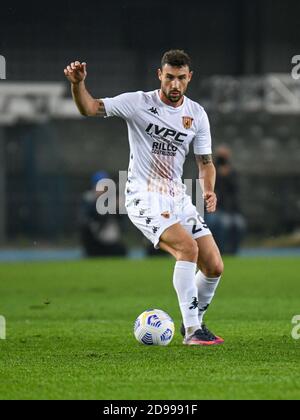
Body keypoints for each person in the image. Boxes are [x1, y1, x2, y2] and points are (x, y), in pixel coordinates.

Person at [64, 49, 224, 346]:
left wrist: (209, 189)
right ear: (159, 76)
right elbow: (89, 108)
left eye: (180, 79)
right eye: (169, 78)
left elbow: (205, 163)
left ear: (189, 78)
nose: (174, 85)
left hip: (177, 196)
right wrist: (78, 85)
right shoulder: (137, 103)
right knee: (187, 249)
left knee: (214, 265)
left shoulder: (197, 114)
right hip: (143, 195)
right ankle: (192, 331)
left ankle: (195, 324)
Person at [205, 146, 247, 254]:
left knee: (239, 224)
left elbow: (235, 190)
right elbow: (205, 188)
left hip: (230, 209)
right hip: (214, 208)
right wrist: (218, 175)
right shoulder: (210, 171)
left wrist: (228, 176)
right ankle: (220, 250)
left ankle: (233, 250)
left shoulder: (232, 172)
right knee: (221, 224)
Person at [79, 171, 127, 257]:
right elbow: (86, 220)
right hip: (94, 242)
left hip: (111, 242)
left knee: (121, 251)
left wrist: (118, 208)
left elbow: (121, 220)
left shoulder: (113, 199)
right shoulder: (89, 199)